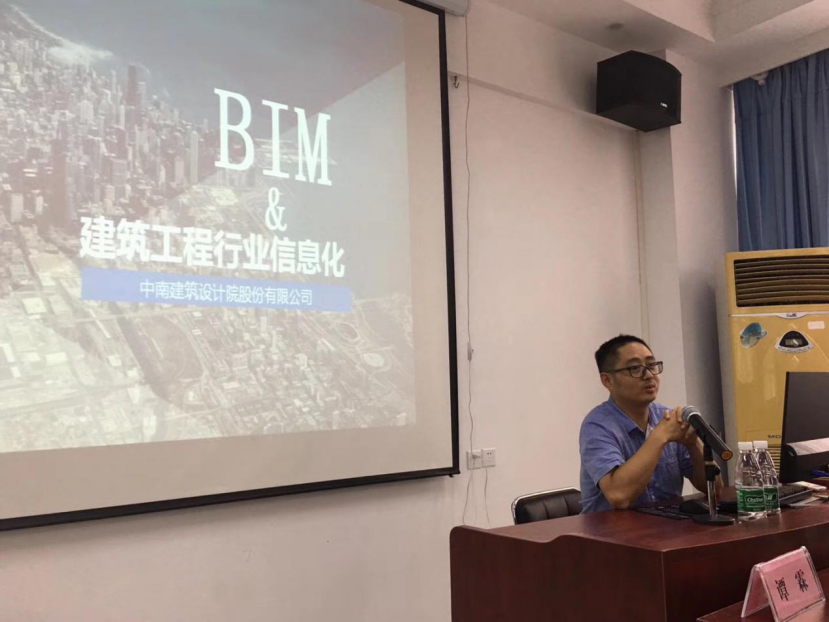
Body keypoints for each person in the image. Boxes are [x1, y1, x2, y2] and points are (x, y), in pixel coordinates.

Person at [579, 334, 720, 513]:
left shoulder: (666, 417)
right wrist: (660, 436)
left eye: (652, 365)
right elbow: (619, 496)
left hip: (668, 525)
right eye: (635, 368)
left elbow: (714, 489)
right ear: (608, 380)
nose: (649, 375)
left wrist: (693, 444)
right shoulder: (597, 426)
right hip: (611, 529)